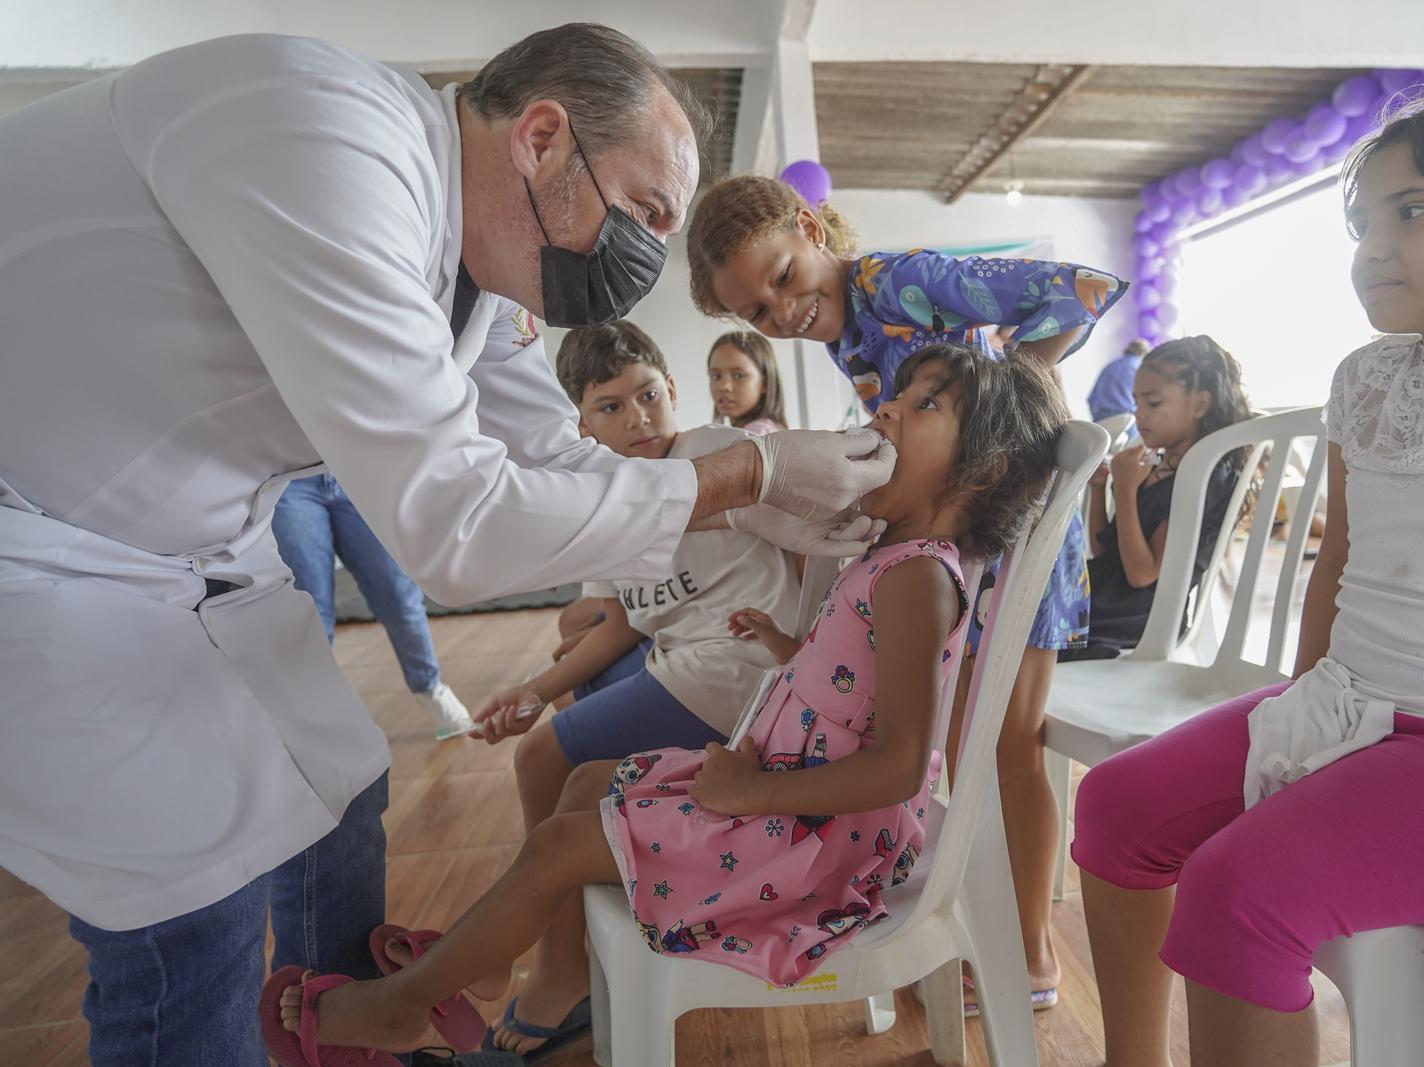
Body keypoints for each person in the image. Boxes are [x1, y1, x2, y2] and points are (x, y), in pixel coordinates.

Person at [0, 25, 892, 1064]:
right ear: (542, 139)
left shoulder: (482, 275)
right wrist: (749, 475)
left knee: (340, 798)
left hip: (183, 542)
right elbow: (452, 518)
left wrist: (765, 488)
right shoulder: (323, 136)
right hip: (43, 536)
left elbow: (556, 457)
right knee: (187, 916)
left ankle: (350, 1032)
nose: (649, 252)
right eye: (646, 210)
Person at [263, 342, 1069, 1060]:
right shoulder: (890, 560)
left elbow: (899, 767)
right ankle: (486, 964)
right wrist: (788, 650)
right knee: (582, 782)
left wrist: (750, 792)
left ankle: (403, 1005)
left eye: (925, 404)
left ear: (982, 470)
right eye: (900, 393)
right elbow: (856, 690)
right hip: (787, 796)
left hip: (813, 843)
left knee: (556, 844)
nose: (888, 407)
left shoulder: (917, 576)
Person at [1071, 84, 1424, 1067]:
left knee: (1237, 889)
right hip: (1345, 695)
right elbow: (1339, 555)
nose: (1372, 249)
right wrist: (1302, 704)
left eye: (1413, 210)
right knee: (1115, 804)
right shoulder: (1367, 377)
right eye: (1361, 225)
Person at [686, 174, 1127, 1010]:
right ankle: (984, 928)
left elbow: (1083, 290)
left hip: (1019, 535)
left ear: (811, 227)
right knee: (965, 747)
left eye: (783, 277)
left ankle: (1031, 954)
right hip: (965, 551)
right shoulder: (847, 333)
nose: (783, 312)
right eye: (758, 312)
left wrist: (1010, 404)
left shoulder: (896, 282)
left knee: (1007, 748)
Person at [466, 320, 800, 1054]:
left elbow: (807, 531)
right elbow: (618, 621)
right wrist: (531, 689)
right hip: (685, 664)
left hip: (742, 670)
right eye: (610, 407)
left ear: (672, 389)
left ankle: (557, 966)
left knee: (540, 758)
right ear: (581, 424)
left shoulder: (714, 453)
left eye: (648, 395)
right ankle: (569, 923)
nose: (638, 418)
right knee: (566, 727)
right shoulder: (605, 492)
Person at [1066, 336, 1253, 661]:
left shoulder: (1206, 477)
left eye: (1153, 403)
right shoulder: (1157, 466)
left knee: (1035, 625)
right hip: (1110, 598)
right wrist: (1101, 488)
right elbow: (1108, 553)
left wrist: (1125, 490)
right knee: (1022, 602)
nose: (1139, 414)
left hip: (1142, 618)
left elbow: (1141, 575)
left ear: (1200, 405)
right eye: (1136, 402)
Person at [274, 473, 475, 739]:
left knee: (397, 592)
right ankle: (318, 713)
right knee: (311, 610)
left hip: (353, 472)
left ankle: (430, 688)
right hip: (289, 482)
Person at [708, 330, 789, 434]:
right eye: (716, 376)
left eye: (738, 376)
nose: (724, 386)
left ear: (765, 383)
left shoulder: (755, 433)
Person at [1087, 338, 1152, 421]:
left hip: (1099, 415)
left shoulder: (1111, 365)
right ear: (1143, 354)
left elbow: (1092, 397)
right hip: (1124, 417)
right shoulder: (1138, 368)